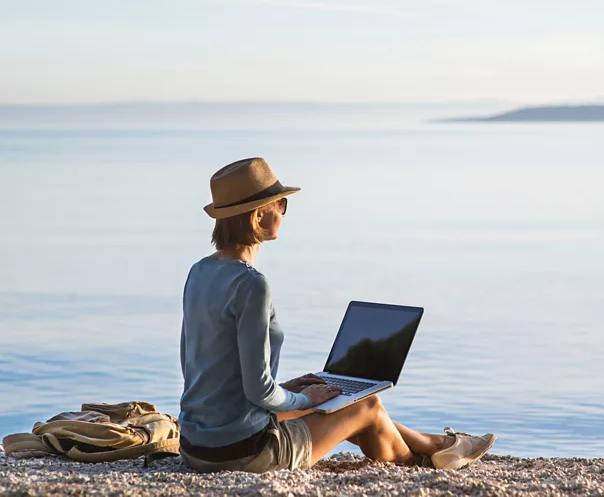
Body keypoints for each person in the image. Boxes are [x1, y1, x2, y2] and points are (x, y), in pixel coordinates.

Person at [178, 157, 497, 473]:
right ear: (259, 216)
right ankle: (426, 464)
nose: (282, 212)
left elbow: (199, 373)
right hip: (244, 452)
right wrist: (303, 400)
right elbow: (259, 391)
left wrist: (291, 388)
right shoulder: (251, 285)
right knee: (368, 406)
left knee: (345, 404)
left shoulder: (198, 273)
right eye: (282, 204)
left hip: (195, 446)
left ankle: (439, 447)